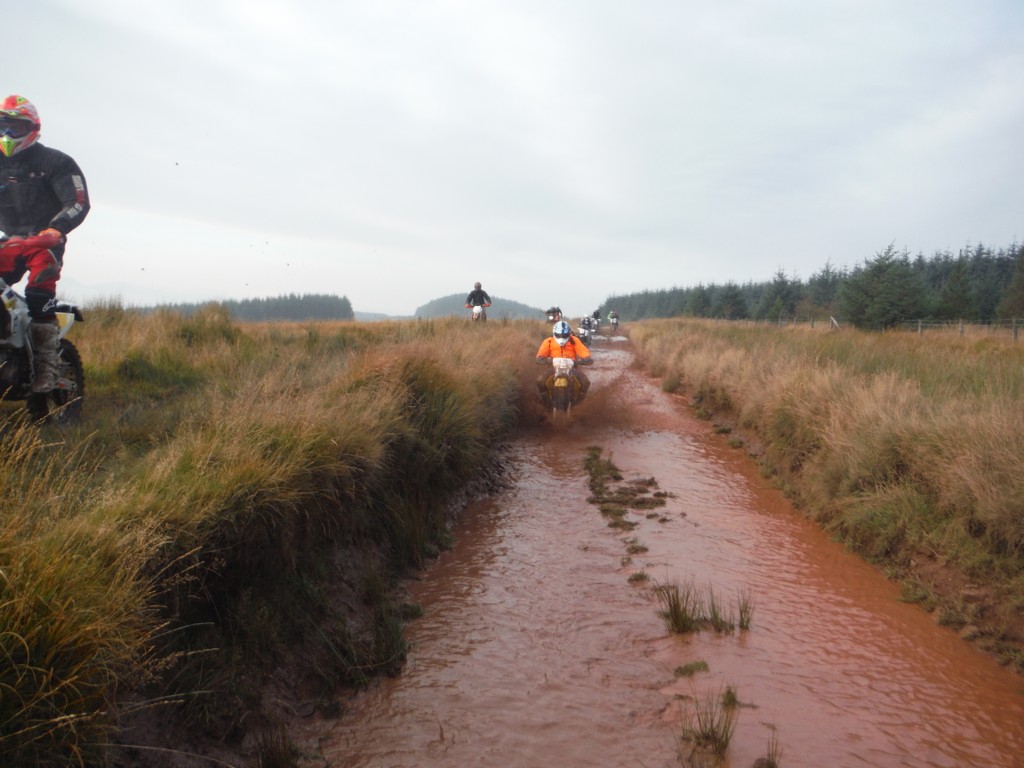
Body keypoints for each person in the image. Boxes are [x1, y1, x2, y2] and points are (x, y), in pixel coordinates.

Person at [0, 95, 90, 392]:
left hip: (44, 242)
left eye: (15, 127)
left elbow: (78, 201)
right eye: (3, 127)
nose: (7, 135)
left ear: (32, 128)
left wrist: (56, 228)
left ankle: (47, 371)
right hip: (8, 242)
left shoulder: (56, 162)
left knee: (38, 296)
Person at [535, 319, 593, 401]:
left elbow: (584, 352)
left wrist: (585, 359)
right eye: (558, 335)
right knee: (540, 381)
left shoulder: (574, 340)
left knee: (585, 382)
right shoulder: (548, 341)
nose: (561, 338)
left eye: (564, 335)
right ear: (554, 333)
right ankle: (546, 402)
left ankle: (579, 403)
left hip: (572, 369)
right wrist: (545, 360)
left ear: (569, 334)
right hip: (553, 368)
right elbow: (540, 356)